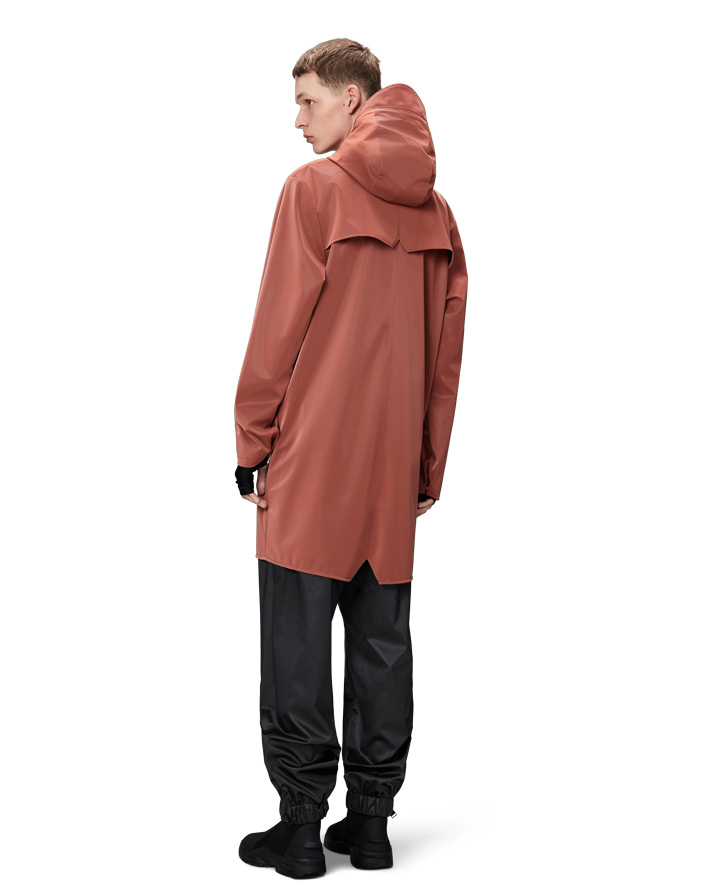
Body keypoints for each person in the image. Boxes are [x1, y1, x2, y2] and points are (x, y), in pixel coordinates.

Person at [234, 38, 468, 879]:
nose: (298, 120)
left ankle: (301, 831)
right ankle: (370, 826)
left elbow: (277, 329)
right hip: (389, 474)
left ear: (355, 99)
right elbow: (445, 357)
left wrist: (252, 441)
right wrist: (427, 467)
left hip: (309, 464)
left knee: (296, 645)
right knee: (382, 644)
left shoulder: (314, 190)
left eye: (309, 101)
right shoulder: (439, 216)